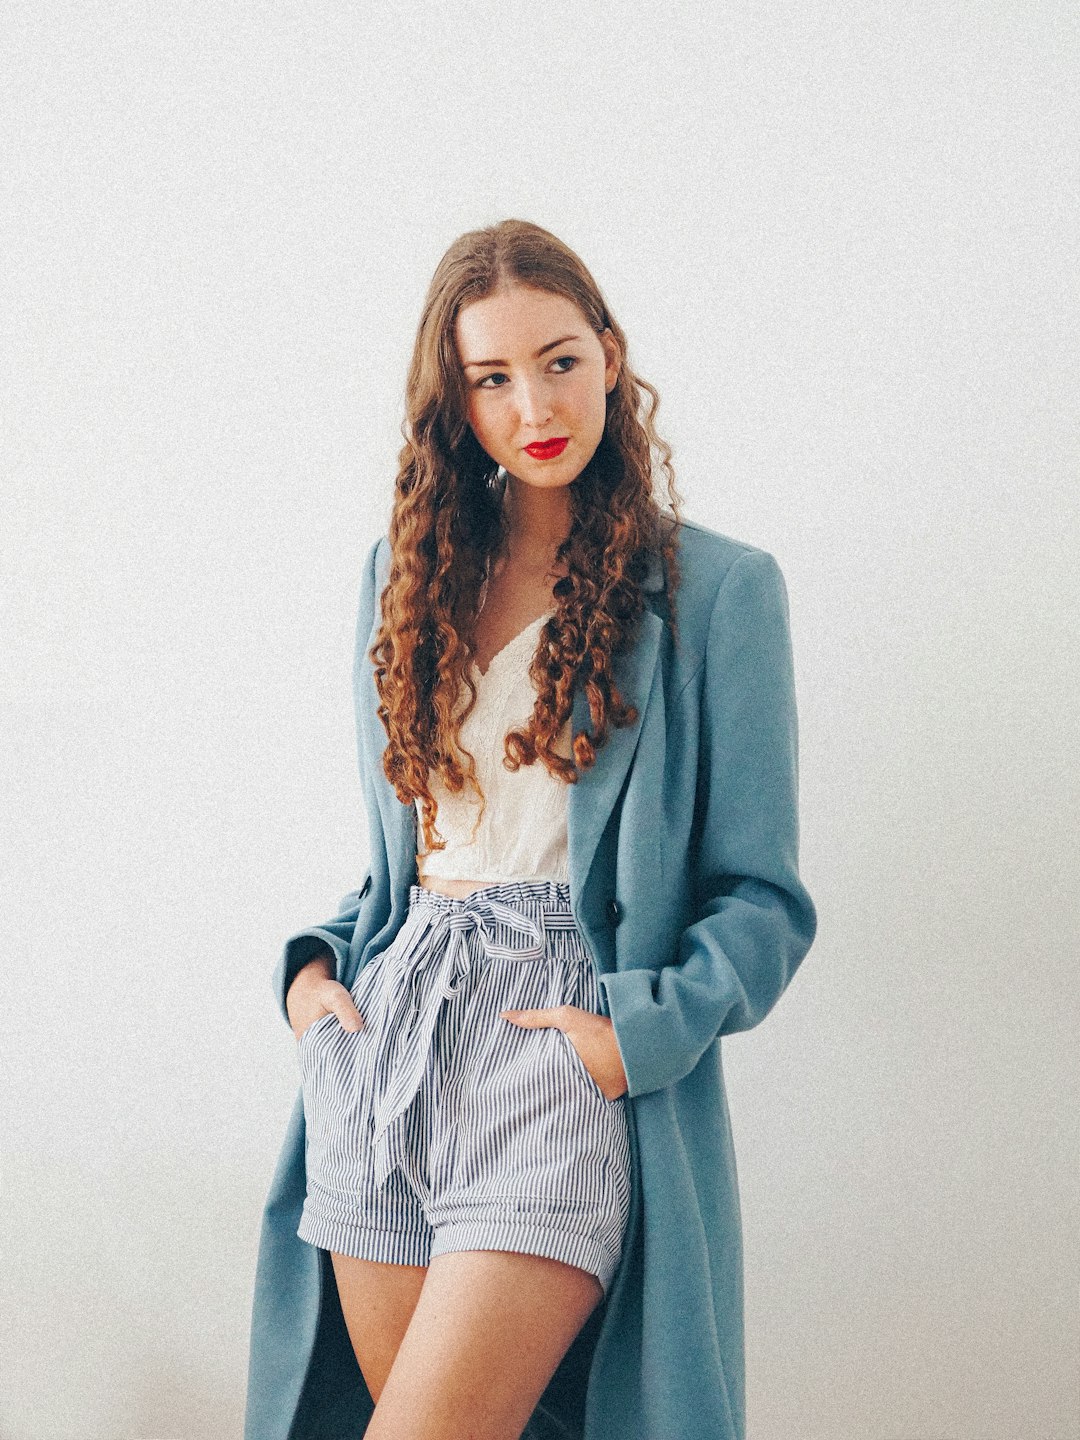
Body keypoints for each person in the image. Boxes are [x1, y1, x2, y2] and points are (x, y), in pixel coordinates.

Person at [244, 218, 818, 1440]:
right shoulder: (405, 576)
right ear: (454, 403)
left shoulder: (718, 591)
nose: (534, 404)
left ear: (611, 354)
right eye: (490, 378)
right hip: (385, 1049)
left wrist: (627, 1041)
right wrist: (312, 980)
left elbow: (762, 900)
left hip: (555, 1049)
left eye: (559, 360)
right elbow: (409, 862)